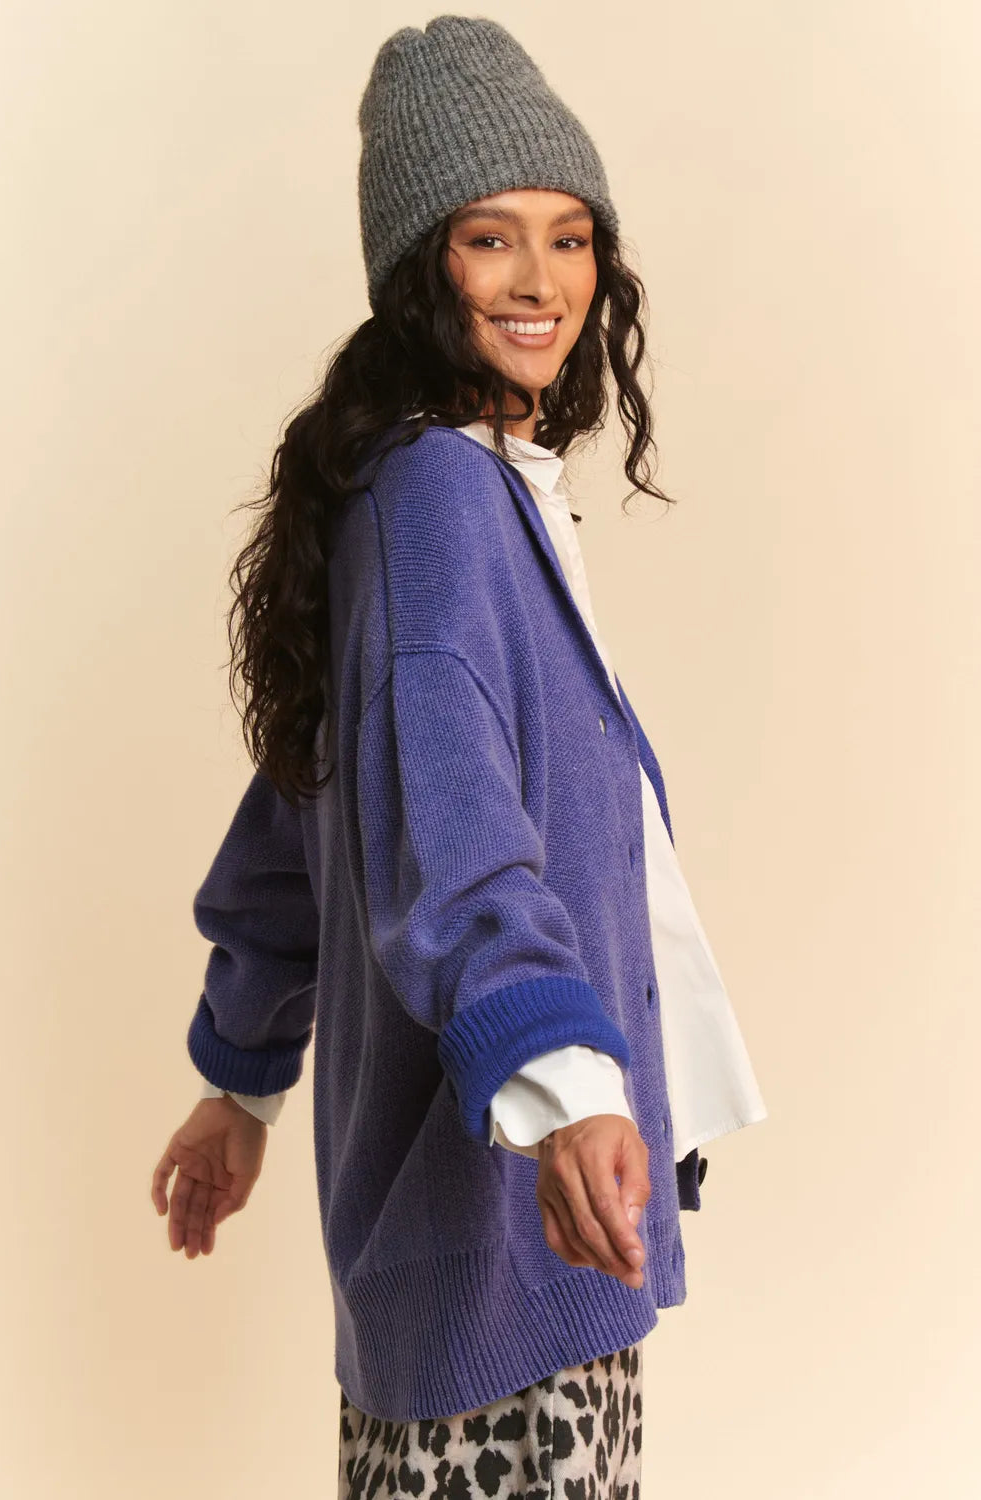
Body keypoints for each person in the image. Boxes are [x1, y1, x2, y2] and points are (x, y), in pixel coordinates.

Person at [150, 16, 767, 1497]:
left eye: (571, 237)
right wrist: (564, 1080)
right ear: (420, 268)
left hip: (511, 1257)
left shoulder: (438, 490)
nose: (542, 282)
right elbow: (459, 838)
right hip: (505, 1254)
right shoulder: (438, 501)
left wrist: (240, 1085)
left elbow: (305, 816)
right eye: (493, 239)